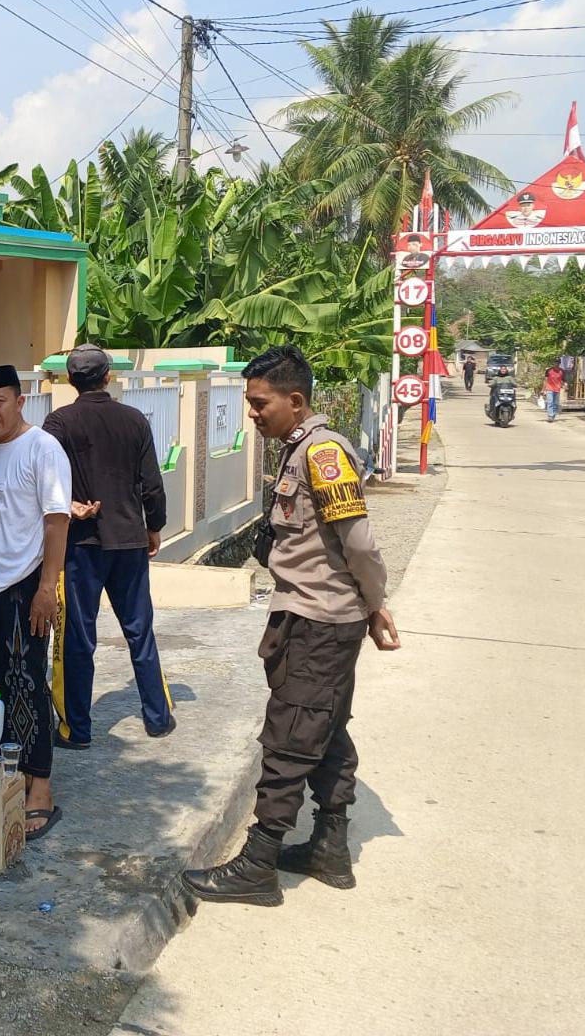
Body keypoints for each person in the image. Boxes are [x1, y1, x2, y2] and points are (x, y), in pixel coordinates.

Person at [182, 344, 399, 907]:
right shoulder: (297, 449)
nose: (252, 413)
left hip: (319, 621)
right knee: (326, 730)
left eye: (261, 403)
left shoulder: (322, 454)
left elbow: (359, 543)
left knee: (289, 737)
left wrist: (377, 604)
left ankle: (259, 864)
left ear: (296, 401)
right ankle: (330, 848)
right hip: (314, 615)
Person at [0, 365, 71, 841]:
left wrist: (47, 587)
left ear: (20, 401)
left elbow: (57, 520)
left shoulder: (42, 448)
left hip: (23, 585)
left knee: (25, 683)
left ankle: (38, 787)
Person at [42, 344, 174, 749]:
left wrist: (70, 506)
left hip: (81, 544)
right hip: (129, 539)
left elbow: (45, 479)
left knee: (77, 638)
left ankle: (76, 730)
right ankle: (158, 717)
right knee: (140, 631)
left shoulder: (58, 422)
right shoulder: (135, 420)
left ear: (70, 380)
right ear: (108, 377)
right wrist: (154, 527)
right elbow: (152, 483)